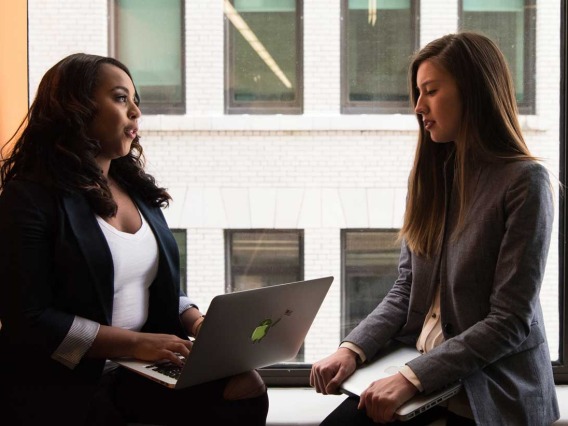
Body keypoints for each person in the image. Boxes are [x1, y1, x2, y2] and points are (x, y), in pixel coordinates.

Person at [0, 53, 268, 426]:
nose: (136, 113)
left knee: (245, 386)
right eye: (121, 98)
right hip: (66, 383)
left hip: (136, 370)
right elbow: (28, 320)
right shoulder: (28, 198)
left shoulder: (135, 190)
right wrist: (138, 344)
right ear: (75, 108)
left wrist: (199, 324)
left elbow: (150, 285)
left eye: (136, 101)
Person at [310, 31, 560, 426]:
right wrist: (352, 349)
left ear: (473, 92)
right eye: (417, 92)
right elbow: (407, 289)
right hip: (421, 369)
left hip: (487, 385)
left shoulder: (526, 183)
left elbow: (510, 321)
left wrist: (412, 378)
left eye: (430, 91)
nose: (418, 106)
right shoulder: (431, 178)